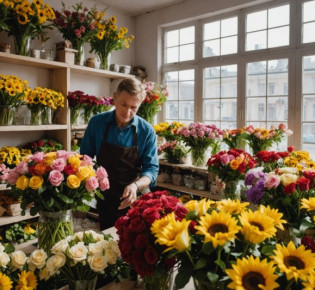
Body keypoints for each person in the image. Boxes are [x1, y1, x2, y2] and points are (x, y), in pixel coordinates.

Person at [80, 78, 159, 230]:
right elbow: (85, 158)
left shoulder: (146, 131)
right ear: (115, 97)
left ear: (140, 104)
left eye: (133, 107)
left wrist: (136, 186)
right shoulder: (97, 123)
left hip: (134, 196)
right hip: (105, 197)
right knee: (108, 244)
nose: (127, 112)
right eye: (123, 104)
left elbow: (151, 169)